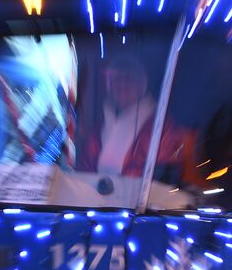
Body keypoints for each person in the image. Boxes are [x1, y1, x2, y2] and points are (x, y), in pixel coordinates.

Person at [79, 52, 203, 187]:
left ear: (142, 85)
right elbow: (86, 166)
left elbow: (164, 174)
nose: (122, 86)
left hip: (145, 198)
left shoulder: (162, 126)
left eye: (128, 80)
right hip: (95, 197)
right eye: (116, 80)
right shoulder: (101, 127)